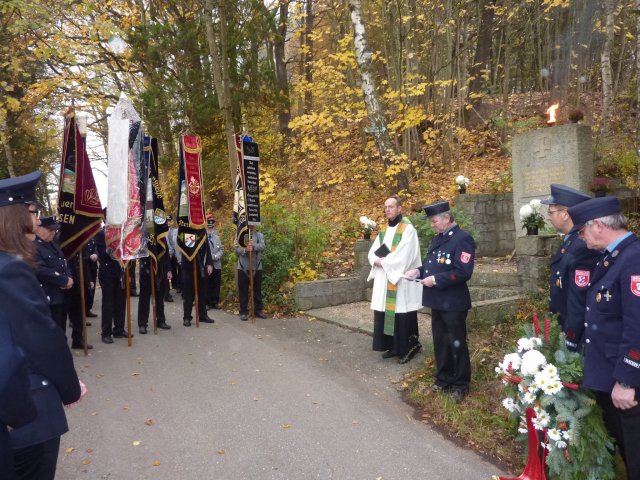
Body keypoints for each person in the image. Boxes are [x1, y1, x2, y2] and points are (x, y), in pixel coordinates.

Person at [0, 171, 81, 480]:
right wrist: (69, 389)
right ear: (13, 218)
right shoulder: (10, 270)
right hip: (26, 410)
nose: (36, 221)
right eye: (31, 213)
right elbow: (42, 341)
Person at [567, 196, 640, 480]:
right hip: (610, 374)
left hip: (626, 380)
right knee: (627, 451)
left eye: (582, 230)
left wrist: (626, 380)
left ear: (598, 225)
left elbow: (637, 324)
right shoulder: (613, 257)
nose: (581, 237)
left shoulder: (633, 259)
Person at [405, 201, 474, 402]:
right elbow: (432, 264)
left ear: (446, 218)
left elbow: (463, 271)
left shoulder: (462, 239)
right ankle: (443, 379)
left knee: (457, 343)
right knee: (441, 342)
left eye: (434, 221)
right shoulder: (439, 238)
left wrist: (435, 280)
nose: (432, 225)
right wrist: (417, 271)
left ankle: (461, 384)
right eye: (431, 222)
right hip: (437, 301)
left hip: (453, 302)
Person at [541, 184, 599, 351]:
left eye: (551, 212)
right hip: (563, 326)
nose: (548, 217)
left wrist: (571, 338)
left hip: (577, 335)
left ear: (565, 214)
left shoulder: (581, 246)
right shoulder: (571, 241)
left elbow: (578, 301)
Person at [367, 195, 423, 363]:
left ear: (399, 208)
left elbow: (405, 255)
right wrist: (375, 260)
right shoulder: (384, 230)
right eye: (385, 207)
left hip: (400, 279)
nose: (387, 209)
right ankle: (392, 346)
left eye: (391, 206)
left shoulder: (407, 229)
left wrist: (383, 262)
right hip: (386, 277)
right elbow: (373, 251)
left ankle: (408, 348)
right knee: (387, 312)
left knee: (402, 314)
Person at [33, 216, 73, 333]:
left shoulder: (52, 244)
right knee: (53, 333)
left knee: (61, 329)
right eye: (50, 230)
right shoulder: (33, 246)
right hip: (47, 297)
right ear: (39, 229)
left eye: (55, 230)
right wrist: (63, 280)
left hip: (60, 295)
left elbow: (63, 262)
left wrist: (68, 277)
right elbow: (40, 269)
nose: (53, 233)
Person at [95, 213, 129, 344]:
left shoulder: (122, 234)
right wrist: (116, 247)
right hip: (108, 272)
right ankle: (106, 332)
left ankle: (119, 329)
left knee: (121, 301)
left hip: (120, 271)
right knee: (108, 303)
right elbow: (104, 255)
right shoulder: (101, 234)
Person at [235, 224, 266, 321]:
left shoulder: (259, 235)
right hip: (243, 267)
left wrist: (254, 246)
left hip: (257, 266)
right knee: (243, 291)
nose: (251, 225)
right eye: (249, 224)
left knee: (257, 290)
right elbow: (236, 249)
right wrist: (245, 249)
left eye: (253, 224)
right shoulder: (239, 235)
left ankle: (258, 310)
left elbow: (262, 246)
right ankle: (243, 311)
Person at [137, 253, 172, 334]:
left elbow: (165, 250)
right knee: (144, 297)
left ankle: (160, 320)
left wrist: (169, 269)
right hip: (146, 266)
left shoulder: (162, 239)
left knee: (160, 296)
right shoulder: (143, 239)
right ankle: (142, 323)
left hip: (160, 267)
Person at [181, 242, 214, 326]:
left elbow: (207, 249)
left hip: (201, 266)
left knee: (202, 293)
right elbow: (185, 248)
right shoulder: (187, 230)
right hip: (189, 267)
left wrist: (209, 263)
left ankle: (202, 315)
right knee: (188, 294)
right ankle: (187, 317)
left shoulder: (202, 231)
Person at [205, 214, 223, 309]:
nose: (210, 230)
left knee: (216, 284)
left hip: (217, 264)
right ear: (207, 227)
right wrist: (212, 256)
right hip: (208, 264)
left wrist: (217, 256)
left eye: (212, 229)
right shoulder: (204, 238)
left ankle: (214, 302)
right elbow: (204, 251)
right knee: (208, 283)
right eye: (209, 228)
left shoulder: (217, 237)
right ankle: (207, 302)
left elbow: (221, 249)